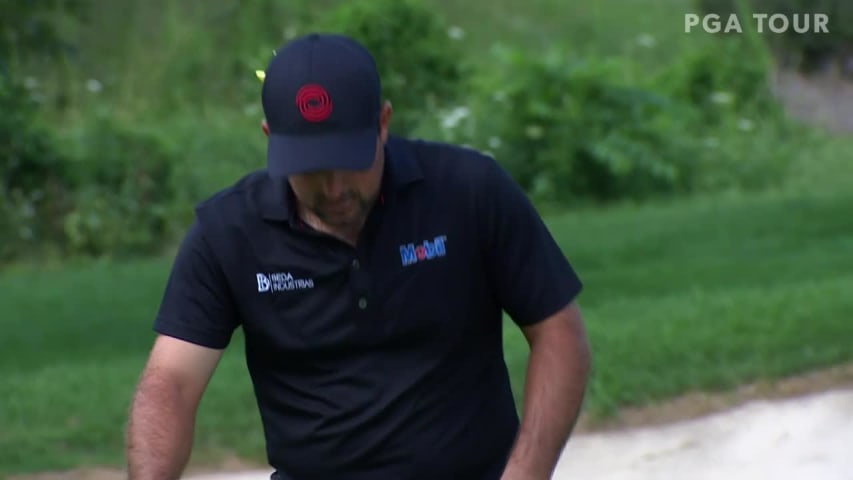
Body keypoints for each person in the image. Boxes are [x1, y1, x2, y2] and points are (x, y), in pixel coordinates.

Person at [125, 32, 592, 480]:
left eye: (349, 161)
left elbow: (558, 332)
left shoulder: (469, 191)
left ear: (383, 124)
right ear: (270, 137)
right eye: (310, 169)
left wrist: (526, 473)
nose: (334, 190)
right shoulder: (226, 232)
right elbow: (171, 384)